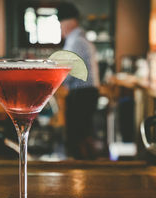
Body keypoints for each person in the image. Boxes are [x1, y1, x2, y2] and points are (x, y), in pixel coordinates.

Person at [57, 2, 100, 159]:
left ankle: (82, 173)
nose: (60, 28)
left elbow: (68, 71)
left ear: (70, 22)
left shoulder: (77, 41)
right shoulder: (79, 39)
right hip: (85, 92)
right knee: (83, 135)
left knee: (77, 137)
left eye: (60, 23)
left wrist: (51, 80)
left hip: (82, 94)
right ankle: (86, 170)